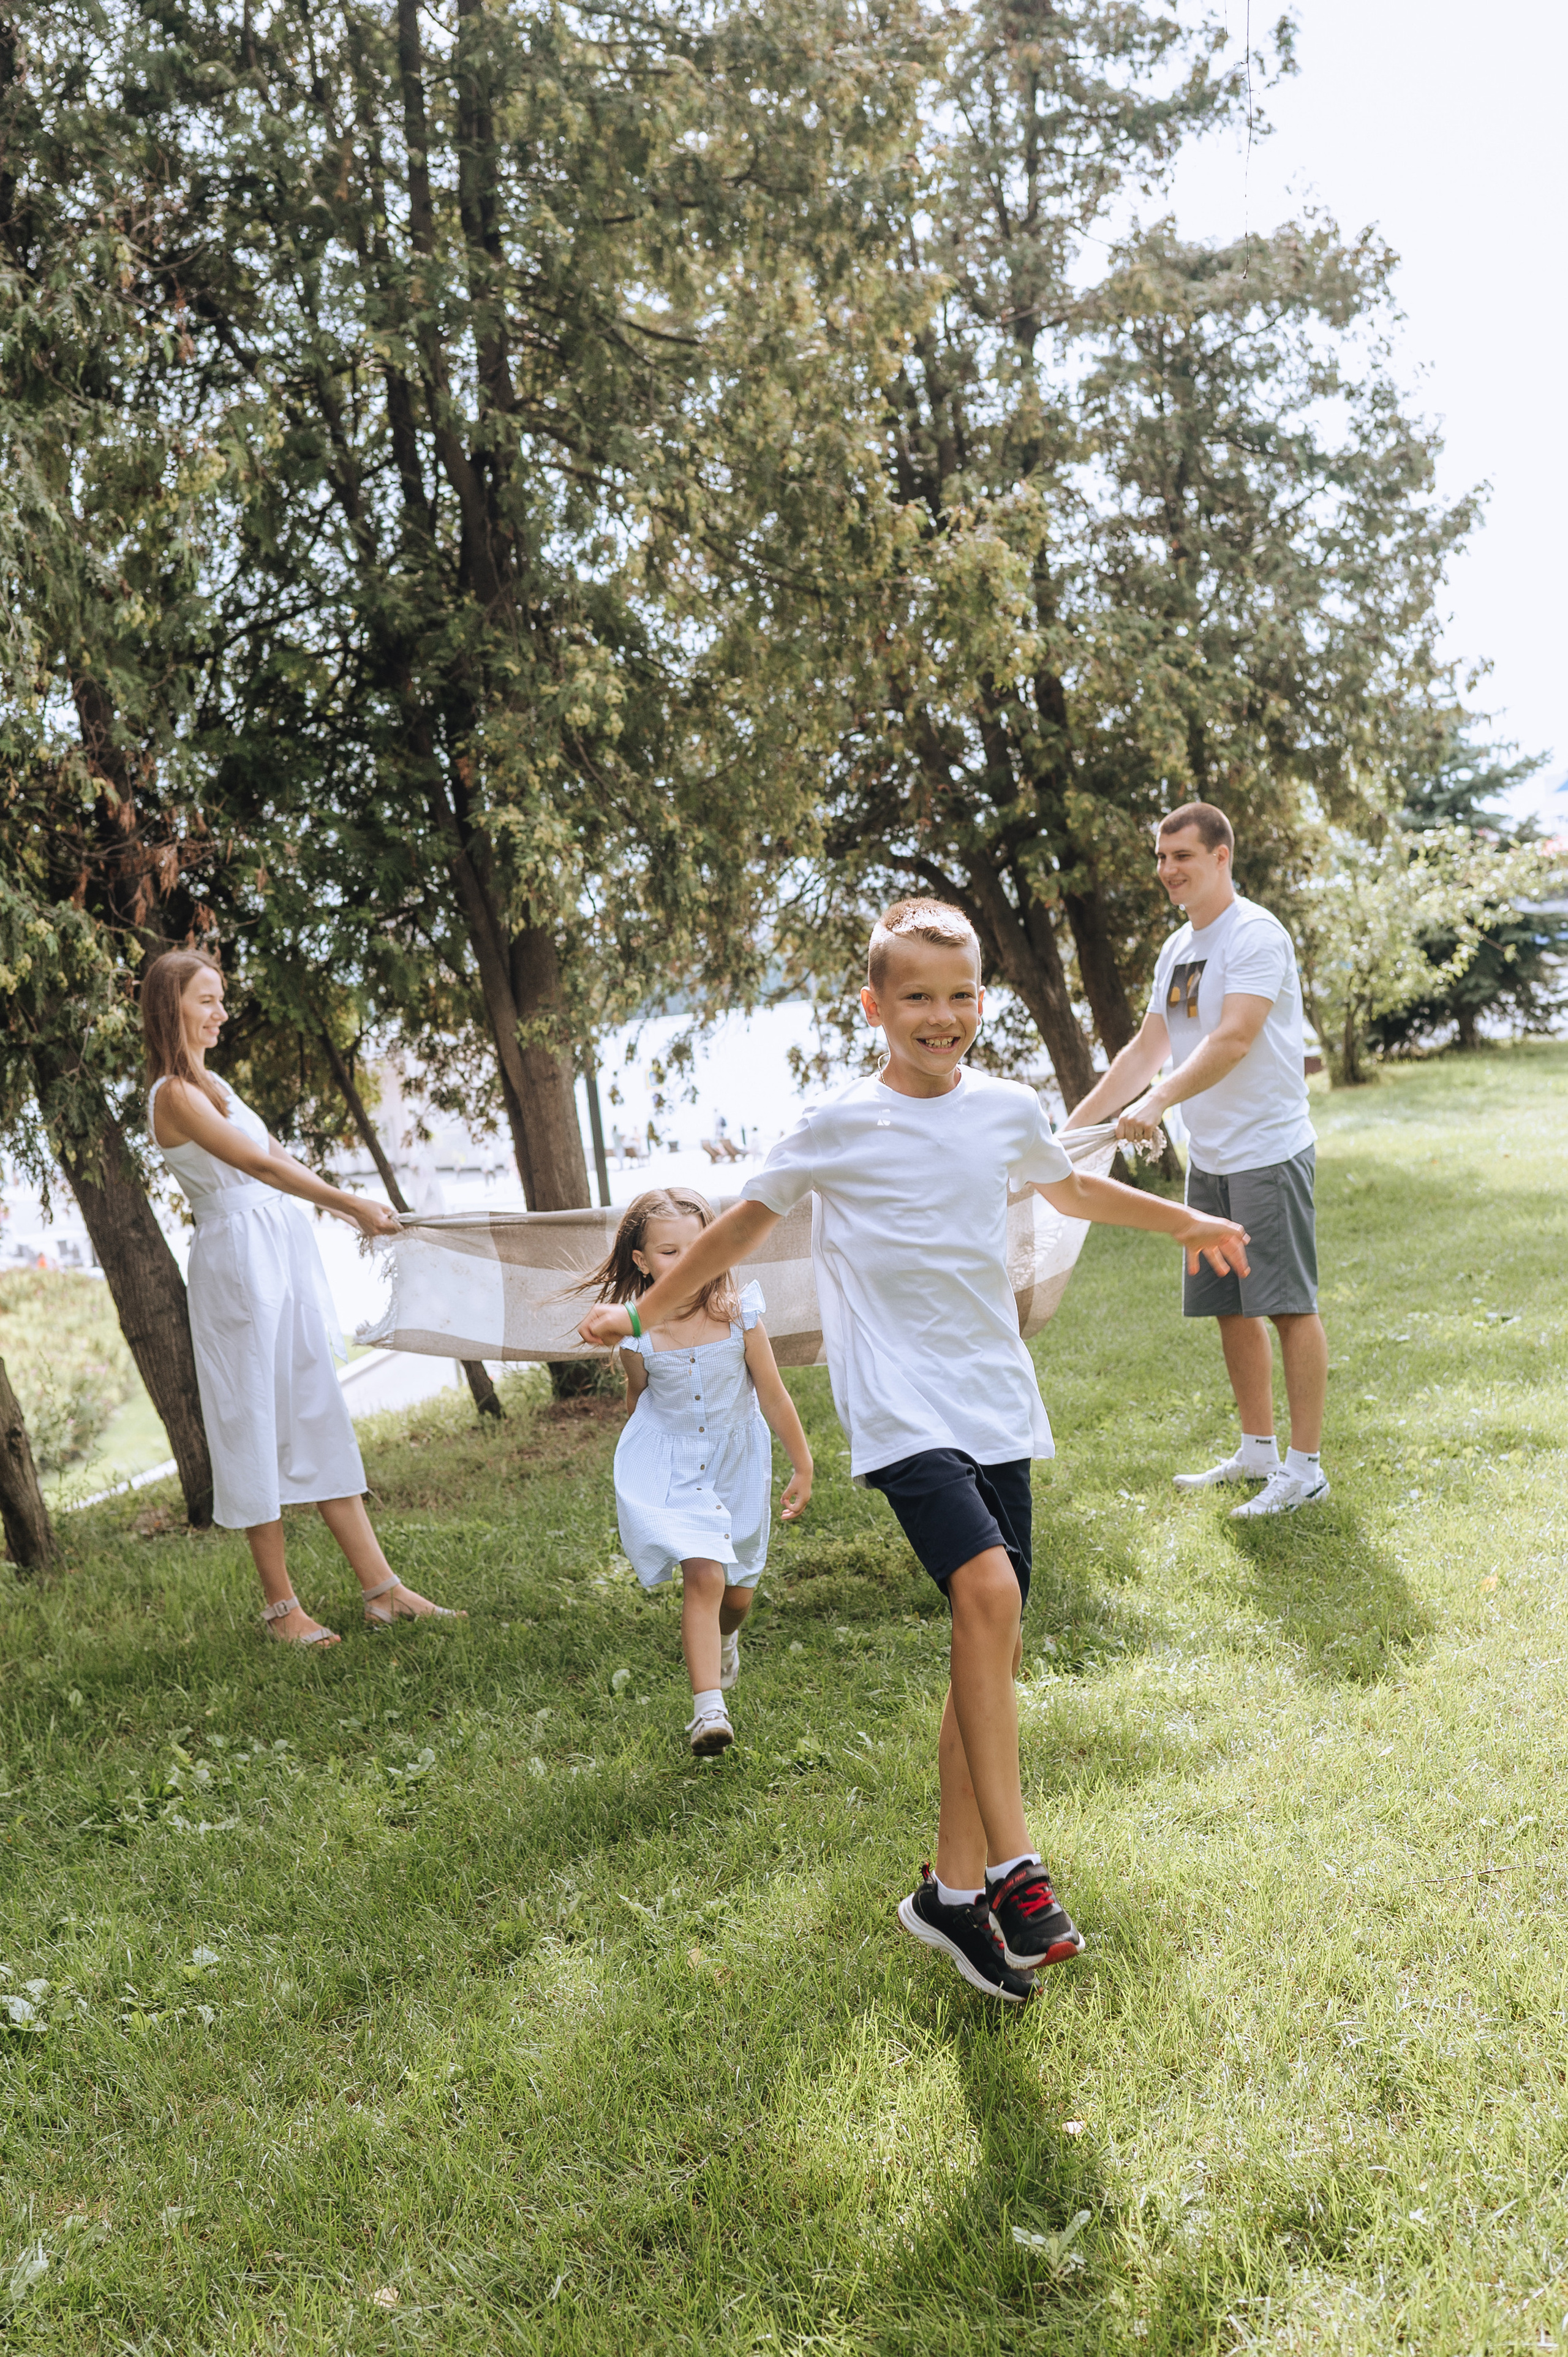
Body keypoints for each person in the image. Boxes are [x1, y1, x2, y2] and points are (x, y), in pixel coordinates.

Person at [579, 899, 1250, 2003]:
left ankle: (946, 1896)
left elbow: (1067, 1184)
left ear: (981, 998)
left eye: (959, 994)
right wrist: (647, 1314)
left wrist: (1184, 1222)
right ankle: (1015, 1868)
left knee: (988, 1642)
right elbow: (743, 1225)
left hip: (996, 1400)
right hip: (900, 1409)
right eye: (917, 997)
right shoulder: (837, 1123)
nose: (942, 1016)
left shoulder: (1006, 1107)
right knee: (986, 1592)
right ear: (874, 1007)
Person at [142, 950, 463, 1645]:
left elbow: (280, 1157)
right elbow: (253, 1165)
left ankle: (383, 1589)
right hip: (237, 1268)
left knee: (316, 1406)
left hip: (281, 1255)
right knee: (253, 1420)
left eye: (222, 998)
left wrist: (346, 1203)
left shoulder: (218, 1083)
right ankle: (281, 1609)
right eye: (207, 1000)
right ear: (173, 1007)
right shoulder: (174, 1094)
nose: (222, 1012)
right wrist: (349, 1205)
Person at [1069, 802, 1330, 1517]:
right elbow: (1146, 1049)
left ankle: (1304, 1469)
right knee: (1229, 1306)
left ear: (1221, 855)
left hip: (1266, 1151)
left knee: (1285, 1305)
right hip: (1209, 1157)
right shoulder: (1177, 948)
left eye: (1180, 854)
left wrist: (1154, 1104)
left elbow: (1233, 1039)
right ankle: (1257, 1450)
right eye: (1159, 856)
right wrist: (1071, 1128)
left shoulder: (1255, 935)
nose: (1166, 869)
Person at [579, 1188, 813, 1755]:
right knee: (704, 1576)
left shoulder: (740, 1314)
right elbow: (640, 1397)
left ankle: (726, 1640)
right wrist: (643, 1461)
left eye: (695, 1249)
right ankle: (709, 1711)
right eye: (667, 1252)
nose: (682, 1263)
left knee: (738, 1593)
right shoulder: (637, 1335)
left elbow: (775, 1397)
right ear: (641, 1260)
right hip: (677, 1464)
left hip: (739, 1462)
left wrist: (802, 1462)